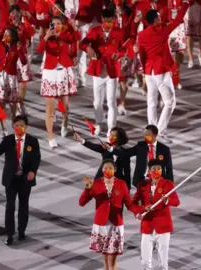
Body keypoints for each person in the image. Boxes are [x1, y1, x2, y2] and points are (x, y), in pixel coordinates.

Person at [137, 2, 191, 143]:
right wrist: (185, 4)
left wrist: (144, 70)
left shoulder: (142, 34)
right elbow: (178, 20)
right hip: (161, 71)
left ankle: (151, 130)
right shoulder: (162, 31)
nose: (161, 18)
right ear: (154, 20)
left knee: (152, 103)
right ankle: (159, 132)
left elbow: (142, 55)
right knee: (170, 102)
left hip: (149, 71)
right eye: (159, 17)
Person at [0, 115, 41, 245]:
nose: (19, 128)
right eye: (16, 125)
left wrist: (32, 172)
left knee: (23, 207)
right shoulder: (8, 140)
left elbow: (37, 159)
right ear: (13, 127)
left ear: (26, 127)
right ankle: (9, 234)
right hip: (10, 180)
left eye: (22, 125)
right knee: (10, 207)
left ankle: (21, 231)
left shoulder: (32, 141)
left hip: (25, 180)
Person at [79, 160, 138, 270]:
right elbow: (81, 203)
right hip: (101, 225)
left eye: (110, 168)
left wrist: (139, 211)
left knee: (112, 260)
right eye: (105, 168)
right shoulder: (95, 184)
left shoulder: (121, 184)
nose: (108, 170)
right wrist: (87, 189)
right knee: (106, 258)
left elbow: (129, 204)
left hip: (116, 224)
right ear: (102, 170)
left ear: (115, 170)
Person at [80, 8, 125, 137]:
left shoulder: (119, 32)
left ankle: (111, 127)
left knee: (111, 101)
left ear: (114, 20)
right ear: (102, 19)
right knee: (97, 101)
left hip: (112, 70)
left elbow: (124, 49)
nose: (107, 24)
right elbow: (82, 44)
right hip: (98, 69)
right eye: (105, 21)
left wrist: (119, 54)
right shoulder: (94, 31)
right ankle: (99, 123)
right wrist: (88, 47)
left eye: (110, 21)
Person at [37, 15, 78, 148]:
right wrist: (46, 37)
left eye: (58, 23)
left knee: (65, 106)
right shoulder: (48, 37)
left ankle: (65, 123)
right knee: (50, 109)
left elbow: (76, 37)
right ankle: (50, 137)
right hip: (50, 74)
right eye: (53, 24)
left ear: (62, 25)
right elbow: (39, 49)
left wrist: (74, 26)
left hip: (64, 72)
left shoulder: (66, 35)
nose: (56, 26)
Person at [132, 159, 180, 270]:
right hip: (147, 225)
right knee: (145, 262)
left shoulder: (168, 184)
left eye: (159, 168)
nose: (156, 170)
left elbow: (176, 202)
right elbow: (133, 204)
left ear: (162, 170)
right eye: (154, 169)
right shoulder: (142, 185)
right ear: (149, 171)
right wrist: (140, 211)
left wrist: (166, 201)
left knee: (163, 262)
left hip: (163, 226)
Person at [103, 125, 173, 188]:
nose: (146, 137)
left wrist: (170, 185)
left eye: (148, 134)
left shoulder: (164, 149)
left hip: (158, 181)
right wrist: (110, 149)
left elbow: (169, 168)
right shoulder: (140, 146)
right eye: (145, 135)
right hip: (142, 181)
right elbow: (126, 153)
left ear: (155, 135)